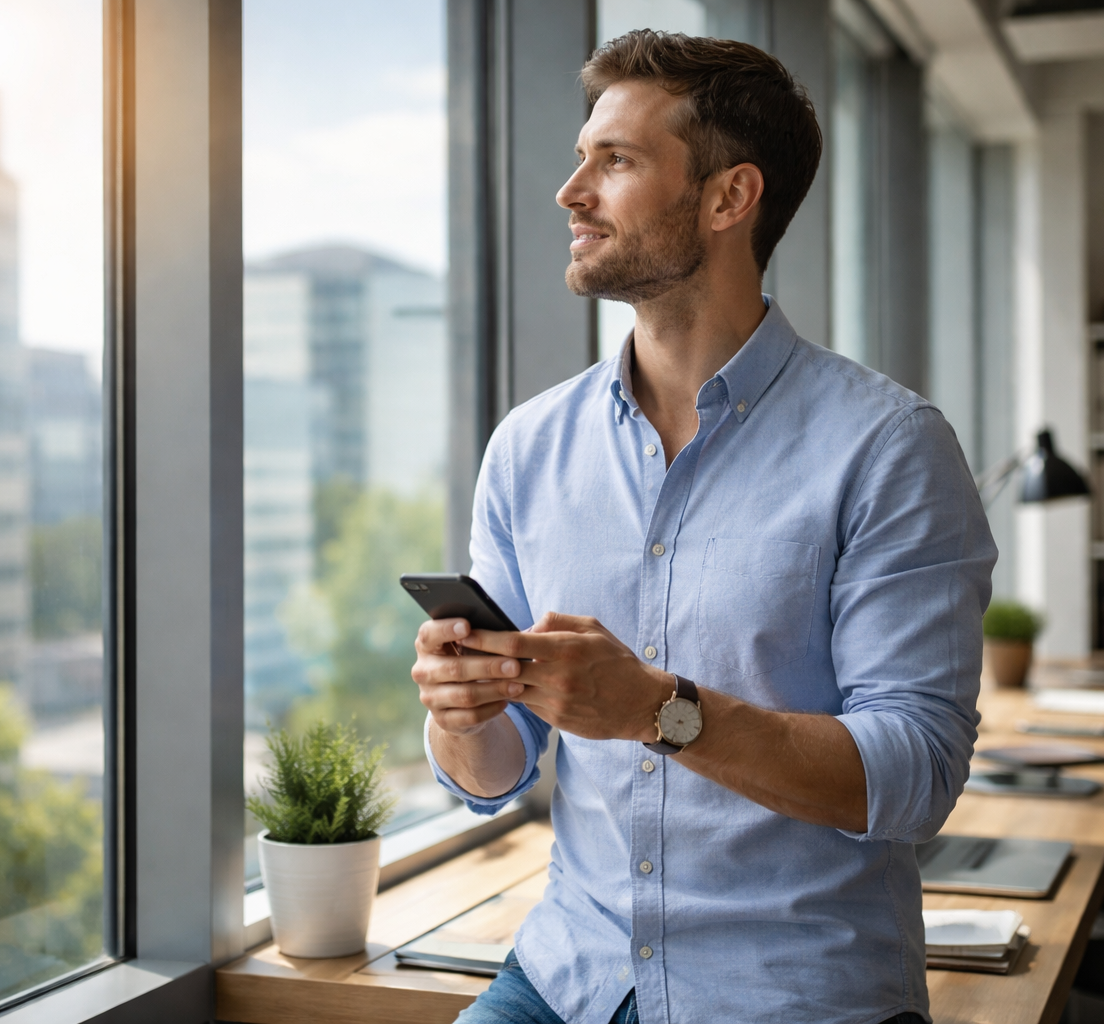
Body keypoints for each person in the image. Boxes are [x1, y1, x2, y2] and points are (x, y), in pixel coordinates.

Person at [413, 30, 996, 1024]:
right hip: (569, 979)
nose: (572, 190)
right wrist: (462, 712)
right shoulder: (527, 450)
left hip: (796, 993)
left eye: (617, 161)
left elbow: (914, 774)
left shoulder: (890, 448)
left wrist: (657, 708)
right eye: (581, 154)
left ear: (730, 199)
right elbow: (497, 771)